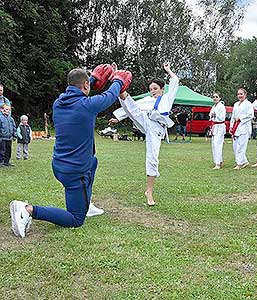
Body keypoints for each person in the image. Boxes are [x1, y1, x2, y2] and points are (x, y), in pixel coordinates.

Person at [9, 64, 132, 238]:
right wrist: (118, 80)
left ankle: (86, 203)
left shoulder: (58, 103)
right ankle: (28, 210)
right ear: (86, 86)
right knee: (76, 218)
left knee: (93, 162)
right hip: (75, 171)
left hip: (60, 165)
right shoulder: (88, 105)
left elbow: (80, 88)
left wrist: (94, 79)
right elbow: (110, 95)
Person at [114, 63, 179, 206]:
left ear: (162, 89)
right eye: (151, 89)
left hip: (157, 130)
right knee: (134, 108)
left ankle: (148, 190)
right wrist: (119, 117)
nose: (153, 91)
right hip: (147, 122)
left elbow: (175, 81)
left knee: (153, 158)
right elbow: (133, 107)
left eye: (155, 89)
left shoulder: (168, 98)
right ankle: (117, 79)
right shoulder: (148, 100)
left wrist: (168, 70)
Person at [230, 88, 254, 170]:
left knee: (241, 146)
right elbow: (233, 116)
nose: (239, 95)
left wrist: (241, 118)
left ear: (245, 95)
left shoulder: (248, 104)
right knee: (235, 146)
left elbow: (251, 115)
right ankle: (245, 161)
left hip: (244, 127)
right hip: (236, 127)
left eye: (241, 94)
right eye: (238, 94)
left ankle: (239, 163)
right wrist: (231, 126)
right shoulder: (236, 104)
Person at [209, 92, 226, 169]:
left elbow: (221, 117)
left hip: (220, 126)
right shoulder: (214, 106)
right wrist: (213, 116)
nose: (215, 98)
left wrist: (214, 115)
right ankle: (218, 161)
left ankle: (218, 164)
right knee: (213, 144)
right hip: (214, 126)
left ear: (220, 98)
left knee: (217, 144)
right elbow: (210, 116)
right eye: (213, 97)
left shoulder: (221, 106)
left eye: (216, 97)